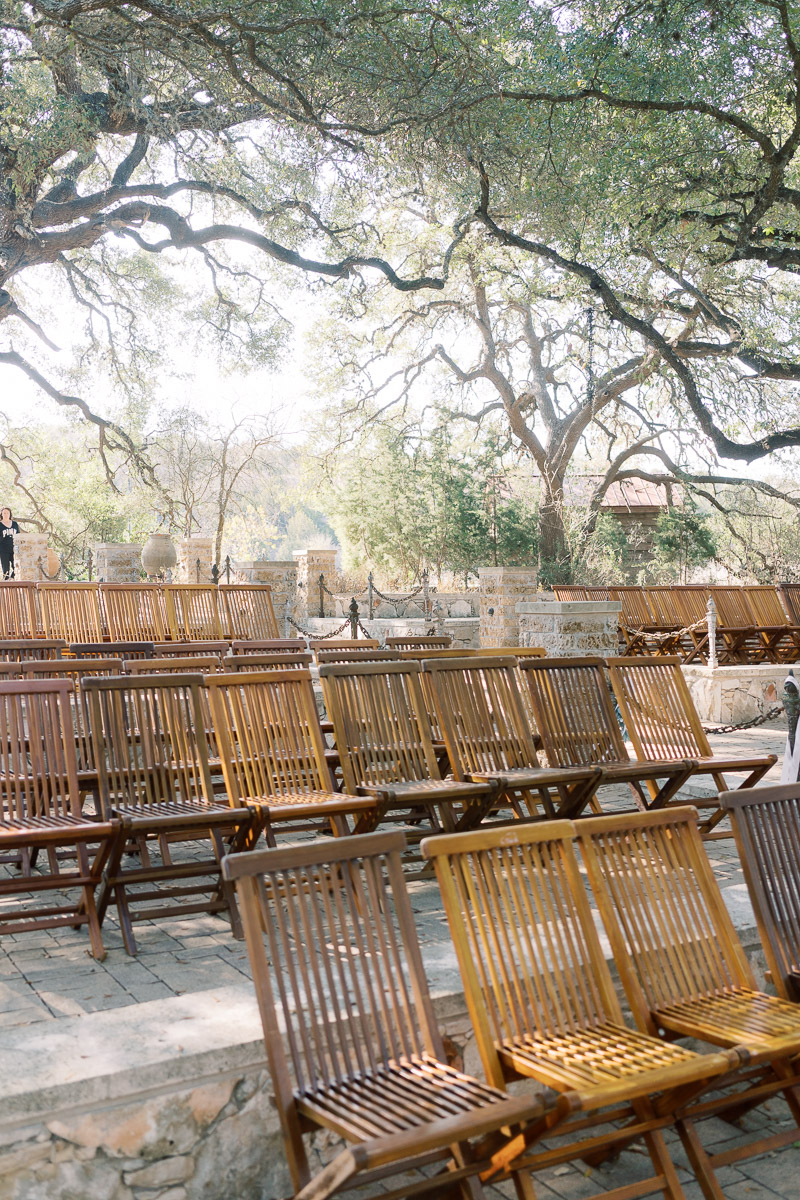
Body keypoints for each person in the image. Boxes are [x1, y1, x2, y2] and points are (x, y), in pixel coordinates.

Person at [0, 508, 19, 579]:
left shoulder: (14, 524)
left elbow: (18, 535)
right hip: (3, 550)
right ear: (1, 514)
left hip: (14, 549)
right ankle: (6, 588)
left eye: (7, 513)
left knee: (16, 567)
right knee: (6, 570)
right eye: (4, 513)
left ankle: (11, 580)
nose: (6, 514)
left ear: (10, 514)